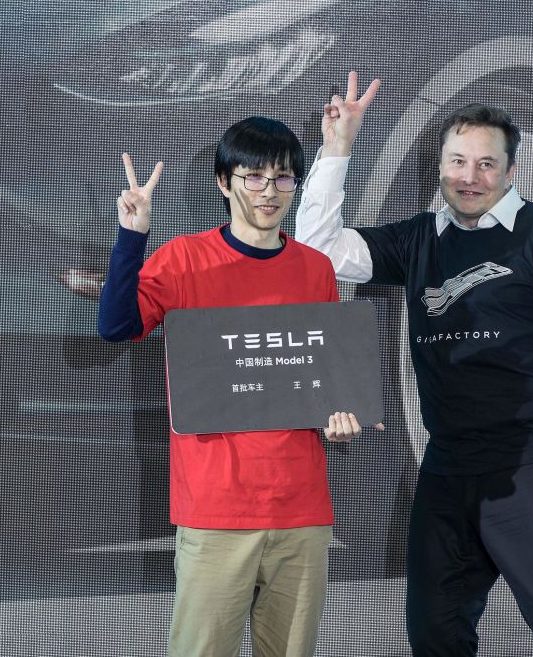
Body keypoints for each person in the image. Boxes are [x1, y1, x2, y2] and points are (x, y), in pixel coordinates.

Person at [295, 73, 533, 656]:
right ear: (439, 167)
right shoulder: (417, 239)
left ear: (511, 173)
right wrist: (338, 149)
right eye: (458, 161)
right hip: (448, 465)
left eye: (486, 164)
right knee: (434, 633)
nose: (469, 176)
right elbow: (317, 253)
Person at [98, 113, 375, 657]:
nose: (269, 192)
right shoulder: (183, 259)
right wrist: (132, 236)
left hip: (301, 509)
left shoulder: (316, 269)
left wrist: (341, 421)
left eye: (283, 178)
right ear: (224, 183)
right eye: (254, 177)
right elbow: (116, 327)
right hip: (216, 510)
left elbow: (327, 378)